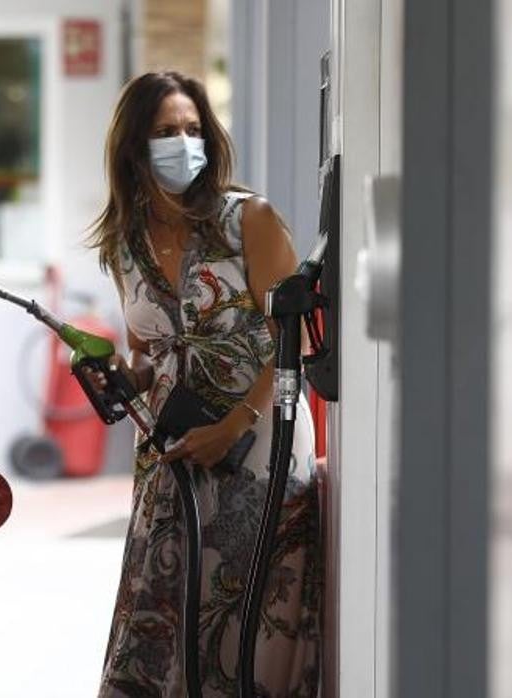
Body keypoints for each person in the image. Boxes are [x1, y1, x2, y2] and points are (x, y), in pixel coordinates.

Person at [89, 71, 323, 697]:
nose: (183, 143)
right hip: (174, 462)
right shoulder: (123, 245)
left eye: (193, 129)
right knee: (161, 627)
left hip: (260, 458)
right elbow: (148, 355)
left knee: (242, 633)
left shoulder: (249, 220)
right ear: (134, 148)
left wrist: (232, 427)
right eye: (166, 132)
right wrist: (118, 376)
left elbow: (293, 338)